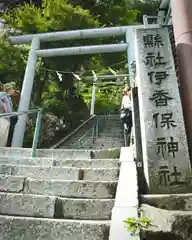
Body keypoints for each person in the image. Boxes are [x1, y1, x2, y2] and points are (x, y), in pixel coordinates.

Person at [0, 82, 20, 147]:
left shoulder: (9, 98)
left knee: (4, 137)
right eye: (12, 89)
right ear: (8, 89)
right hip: (2, 118)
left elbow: (10, 109)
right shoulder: (3, 94)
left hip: (7, 119)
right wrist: (3, 107)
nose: (13, 90)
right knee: (2, 135)